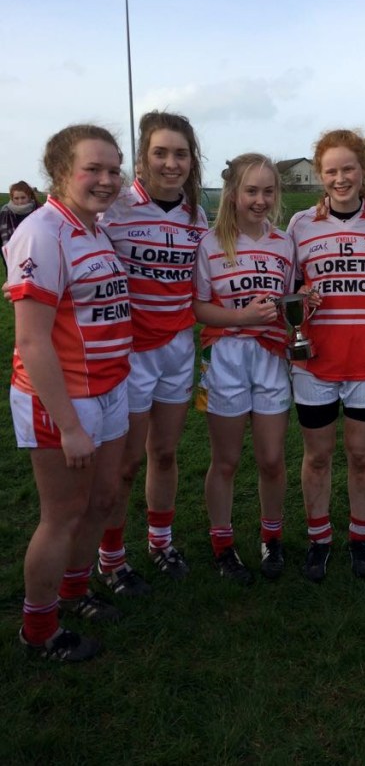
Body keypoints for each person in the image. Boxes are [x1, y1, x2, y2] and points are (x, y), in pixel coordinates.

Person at [4, 125, 131, 661]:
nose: (106, 180)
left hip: (109, 385)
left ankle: (75, 593)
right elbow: (32, 341)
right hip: (62, 398)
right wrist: (71, 426)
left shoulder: (94, 227)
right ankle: (38, 632)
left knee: (102, 499)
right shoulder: (43, 231)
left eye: (113, 168)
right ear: (60, 172)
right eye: (93, 169)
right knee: (63, 514)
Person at [96, 111, 208, 595]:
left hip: (179, 348)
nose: (170, 163)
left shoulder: (195, 214)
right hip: (130, 354)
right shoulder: (115, 209)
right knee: (125, 463)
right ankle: (111, 557)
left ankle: (160, 541)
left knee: (164, 453)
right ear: (143, 158)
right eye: (160, 153)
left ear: (191, 160)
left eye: (180, 153)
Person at [287, 129, 365, 581]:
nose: (339, 178)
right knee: (316, 455)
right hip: (315, 361)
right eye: (330, 171)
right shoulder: (300, 224)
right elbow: (288, 290)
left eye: (347, 168)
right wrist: (301, 294)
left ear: (362, 170)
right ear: (320, 174)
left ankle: (359, 538)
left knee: (360, 454)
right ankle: (319, 540)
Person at [193, 154, 295, 583]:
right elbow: (198, 308)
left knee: (272, 459)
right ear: (233, 194)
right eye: (251, 191)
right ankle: (223, 544)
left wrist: (301, 306)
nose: (260, 200)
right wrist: (241, 319)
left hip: (271, 358)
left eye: (268, 191)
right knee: (227, 460)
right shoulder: (211, 242)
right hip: (225, 359)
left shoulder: (284, 242)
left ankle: (272, 538)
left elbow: (288, 305)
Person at [0, 181, 40, 268]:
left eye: (23, 198)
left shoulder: (39, 210)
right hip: (12, 254)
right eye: (16, 198)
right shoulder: (5, 212)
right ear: (12, 198)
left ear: (29, 197)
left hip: (35, 252)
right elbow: (3, 237)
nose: (20, 201)